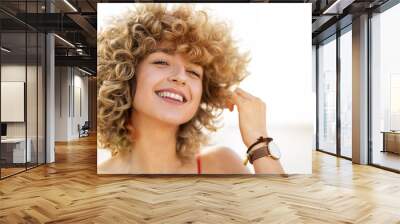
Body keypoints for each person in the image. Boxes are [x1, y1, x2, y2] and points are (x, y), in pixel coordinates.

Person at [97, 4, 284, 174]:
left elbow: (281, 209)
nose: (181, 77)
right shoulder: (99, 181)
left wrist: (258, 141)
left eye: (194, 72)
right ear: (124, 74)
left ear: (203, 93)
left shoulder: (223, 165)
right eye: (161, 61)